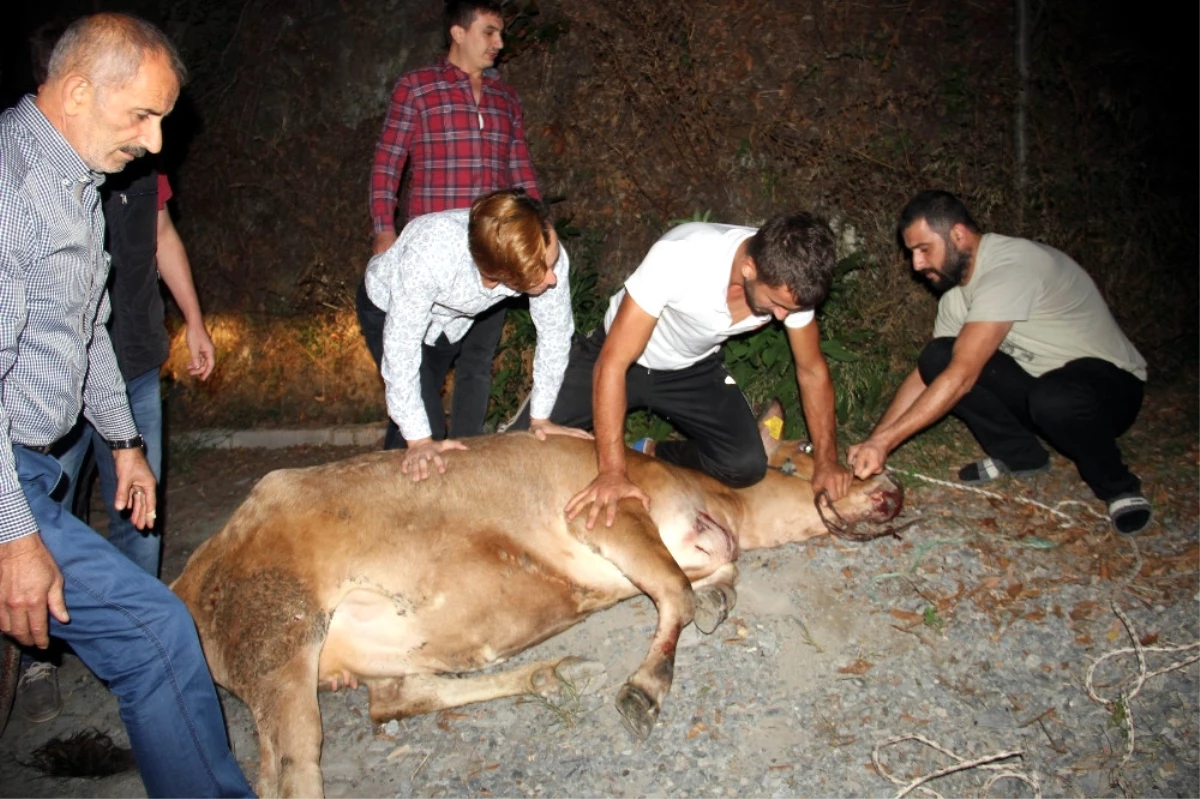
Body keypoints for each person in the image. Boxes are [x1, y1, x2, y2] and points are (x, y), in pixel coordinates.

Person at [0, 13, 252, 797]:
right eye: (142, 116)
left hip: (40, 464)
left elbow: (88, 332)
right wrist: (13, 542)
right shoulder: (11, 195)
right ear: (77, 90)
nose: (153, 144)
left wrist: (124, 440)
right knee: (158, 634)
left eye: (163, 121)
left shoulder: (77, 184)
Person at [515, 213, 852, 529]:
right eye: (775, 304)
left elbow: (811, 371)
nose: (781, 317)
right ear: (749, 267)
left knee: (746, 465)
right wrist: (612, 472)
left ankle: (650, 452)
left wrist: (827, 460)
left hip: (690, 368)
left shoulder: (788, 279)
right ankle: (606, 457)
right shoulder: (681, 256)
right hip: (619, 357)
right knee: (516, 442)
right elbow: (613, 364)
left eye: (789, 309)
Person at [848, 190, 1151, 535]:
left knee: (1051, 396)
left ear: (958, 234)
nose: (916, 264)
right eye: (911, 253)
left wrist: (886, 443)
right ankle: (1021, 455)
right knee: (937, 357)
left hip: (1109, 390)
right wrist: (876, 439)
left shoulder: (1013, 265)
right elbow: (926, 376)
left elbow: (962, 377)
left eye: (922, 249)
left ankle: (1119, 487)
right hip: (1042, 391)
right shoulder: (955, 300)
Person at [365, 0, 540, 449]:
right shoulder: (418, 88)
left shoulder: (506, 98)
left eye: (501, 33)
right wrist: (384, 230)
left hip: (494, 253)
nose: (499, 43)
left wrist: (536, 230)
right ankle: (406, 458)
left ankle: (468, 459)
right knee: (420, 366)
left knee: (479, 361)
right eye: (489, 32)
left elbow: (520, 169)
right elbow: (389, 162)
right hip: (435, 259)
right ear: (458, 33)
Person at [357, 188, 587, 479]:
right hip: (387, 307)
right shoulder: (429, 255)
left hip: (452, 319)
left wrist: (540, 417)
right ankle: (388, 502)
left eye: (552, 264)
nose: (553, 277)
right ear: (500, 274)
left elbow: (555, 333)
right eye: (543, 272)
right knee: (425, 427)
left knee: (418, 406)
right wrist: (419, 441)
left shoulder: (543, 252)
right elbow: (401, 350)